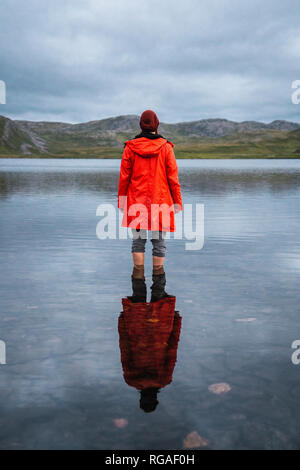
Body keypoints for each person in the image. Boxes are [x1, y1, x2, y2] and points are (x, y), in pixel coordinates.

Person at [118, 109, 183, 302]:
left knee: (138, 241)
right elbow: (173, 178)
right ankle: (158, 290)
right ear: (156, 124)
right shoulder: (166, 148)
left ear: (141, 125)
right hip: (161, 201)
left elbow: (124, 176)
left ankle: (138, 290)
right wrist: (178, 201)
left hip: (136, 200)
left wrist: (121, 200)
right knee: (158, 242)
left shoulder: (130, 147)